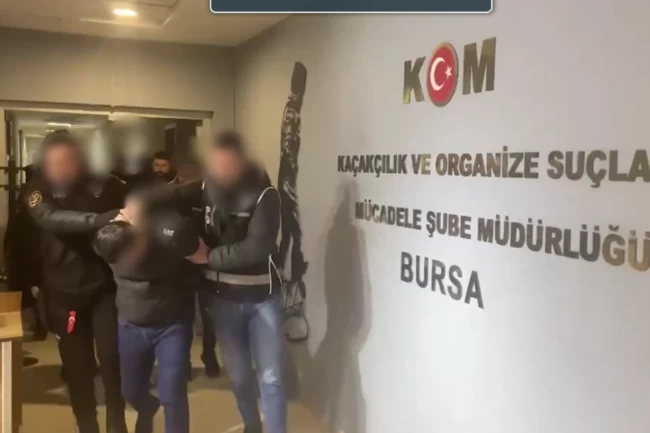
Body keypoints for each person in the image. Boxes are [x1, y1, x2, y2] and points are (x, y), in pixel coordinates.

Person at [125, 130, 286, 433]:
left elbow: (256, 248)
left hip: (262, 298)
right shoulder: (206, 186)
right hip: (223, 299)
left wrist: (208, 257)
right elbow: (171, 194)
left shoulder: (265, 194)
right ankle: (252, 425)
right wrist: (138, 204)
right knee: (239, 376)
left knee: (271, 376)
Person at [23, 130, 127, 433]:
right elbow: (52, 218)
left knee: (112, 363)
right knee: (79, 371)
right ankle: (87, 427)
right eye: (56, 161)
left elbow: (126, 220)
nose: (62, 167)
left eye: (68, 160)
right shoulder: (37, 190)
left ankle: (117, 425)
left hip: (103, 289)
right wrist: (105, 218)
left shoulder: (101, 185)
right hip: (64, 295)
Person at [93, 191, 198, 433]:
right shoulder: (109, 242)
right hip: (130, 325)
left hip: (172, 324)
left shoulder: (163, 237)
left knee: (172, 393)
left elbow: (189, 241)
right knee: (130, 391)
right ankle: (148, 407)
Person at [169, 153, 221, 378]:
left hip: (206, 260)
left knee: (209, 316)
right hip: (179, 265)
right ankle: (184, 362)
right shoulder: (168, 193)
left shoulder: (207, 191)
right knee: (183, 316)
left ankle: (209, 355)